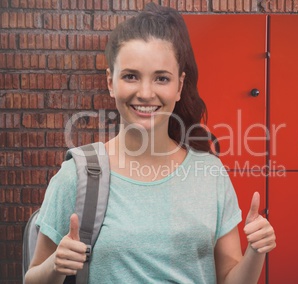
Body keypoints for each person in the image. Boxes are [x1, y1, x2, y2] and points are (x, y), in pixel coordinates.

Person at [25, 3, 276, 284]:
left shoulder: (211, 173)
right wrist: (56, 266)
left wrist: (256, 251)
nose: (145, 93)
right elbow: (32, 278)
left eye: (161, 78)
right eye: (131, 76)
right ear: (111, 82)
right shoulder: (77, 176)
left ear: (179, 87)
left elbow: (230, 279)